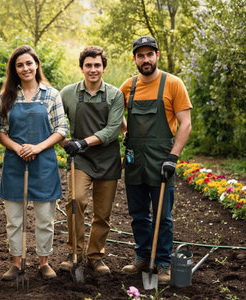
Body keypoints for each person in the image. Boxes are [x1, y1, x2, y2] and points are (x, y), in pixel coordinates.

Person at [120, 36, 192, 284]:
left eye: (150, 54)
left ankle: (162, 263)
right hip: (135, 160)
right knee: (138, 214)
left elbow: (186, 124)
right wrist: (126, 133)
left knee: (163, 215)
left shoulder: (173, 84)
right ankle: (142, 256)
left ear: (157, 56)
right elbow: (116, 114)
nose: (146, 59)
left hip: (162, 159)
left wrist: (173, 156)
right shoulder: (128, 86)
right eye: (141, 55)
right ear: (135, 59)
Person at [0, 45, 68, 281]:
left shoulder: (51, 94)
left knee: (45, 219)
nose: (25, 68)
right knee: (14, 219)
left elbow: (61, 129)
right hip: (14, 164)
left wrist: (37, 147)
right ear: (14, 70)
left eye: (29, 63)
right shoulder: (7, 96)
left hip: (43, 163)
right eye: (20, 65)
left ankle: (44, 261)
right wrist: (18, 147)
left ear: (36, 64)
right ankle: (16, 263)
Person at [58, 46, 124, 275]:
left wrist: (83, 142)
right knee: (75, 201)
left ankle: (95, 256)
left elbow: (113, 130)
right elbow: (55, 121)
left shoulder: (115, 95)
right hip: (80, 159)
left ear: (104, 68)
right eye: (88, 65)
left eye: (97, 65)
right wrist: (63, 141)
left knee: (102, 212)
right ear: (81, 68)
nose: (93, 69)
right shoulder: (67, 93)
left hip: (107, 159)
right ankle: (73, 253)